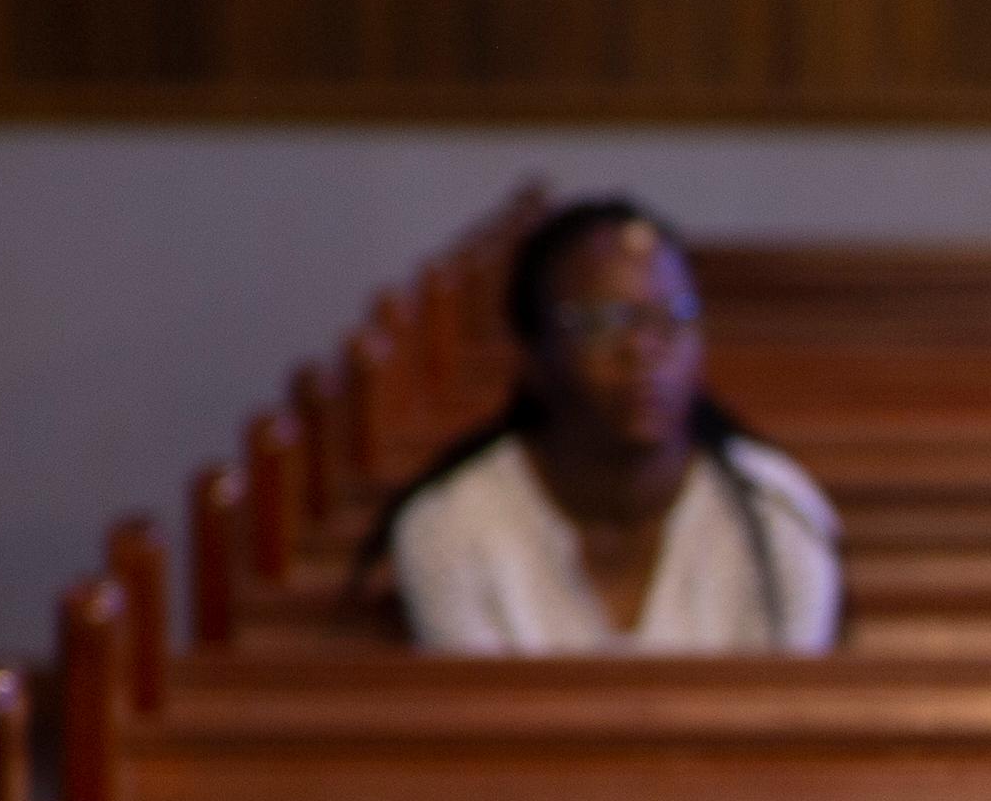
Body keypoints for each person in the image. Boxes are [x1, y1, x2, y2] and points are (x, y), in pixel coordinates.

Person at [358, 195, 841, 655]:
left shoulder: (778, 511)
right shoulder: (451, 524)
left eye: (670, 319)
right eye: (603, 323)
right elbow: (480, 724)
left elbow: (789, 711)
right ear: (531, 353)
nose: (641, 350)